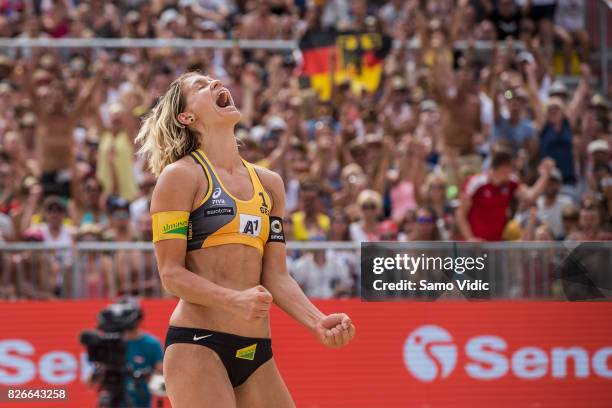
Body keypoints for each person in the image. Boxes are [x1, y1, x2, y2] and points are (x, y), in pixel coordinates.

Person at [138, 72, 355, 407]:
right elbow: (171, 275)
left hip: (256, 350)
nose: (213, 83)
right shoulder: (180, 176)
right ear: (187, 117)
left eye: (212, 80)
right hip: (198, 343)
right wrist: (232, 300)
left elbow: (276, 277)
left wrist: (316, 320)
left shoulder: (269, 184)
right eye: (199, 86)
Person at [457, 146, 555, 241]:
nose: (514, 171)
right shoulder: (476, 183)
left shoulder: (511, 183)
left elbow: (531, 196)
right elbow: (460, 214)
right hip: (473, 248)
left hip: (495, 247)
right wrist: (470, 238)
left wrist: (545, 175)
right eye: (512, 167)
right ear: (504, 167)